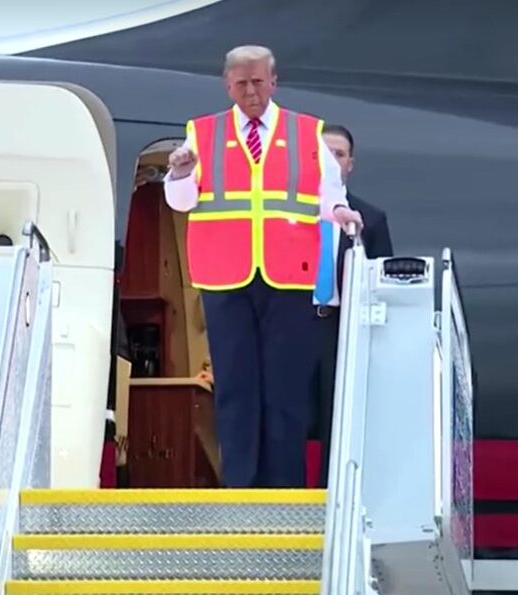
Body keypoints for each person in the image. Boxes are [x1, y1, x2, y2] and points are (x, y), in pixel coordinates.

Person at [163, 45, 365, 488]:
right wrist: (179, 174)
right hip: (225, 276)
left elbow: (328, 194)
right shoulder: (202, 134)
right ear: (226, 84)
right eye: (241, 83)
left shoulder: (307, 132)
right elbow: (181, 201)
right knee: (235, 387)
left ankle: (284, 491)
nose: (250, 92)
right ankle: (240, 490)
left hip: (289, 274)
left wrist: (341, 213)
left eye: (258, 82)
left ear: (273, 82)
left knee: (285, 389)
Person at [310, 123, 394, 488]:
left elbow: (383, 284)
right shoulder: (289, 211)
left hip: (341, 328)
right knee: (286, 414)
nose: (332, 160)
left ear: (350, 164)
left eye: (339, 154)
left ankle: (334, 496)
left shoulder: (371, 219)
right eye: (324, 153)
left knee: (338, 415)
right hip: (293, 323)